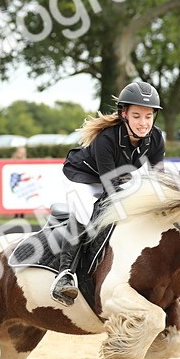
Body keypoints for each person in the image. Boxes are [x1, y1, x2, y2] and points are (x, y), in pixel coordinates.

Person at [50, 80, 166, 306]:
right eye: (137, 116)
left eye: (148, 116)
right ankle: (64, 275)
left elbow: (158, 179)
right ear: (124, 114)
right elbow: (110, 187)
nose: (144, 123)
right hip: (82, 176)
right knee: (86, 215)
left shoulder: (156, 138)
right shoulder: (107, 138)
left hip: (117, 176)